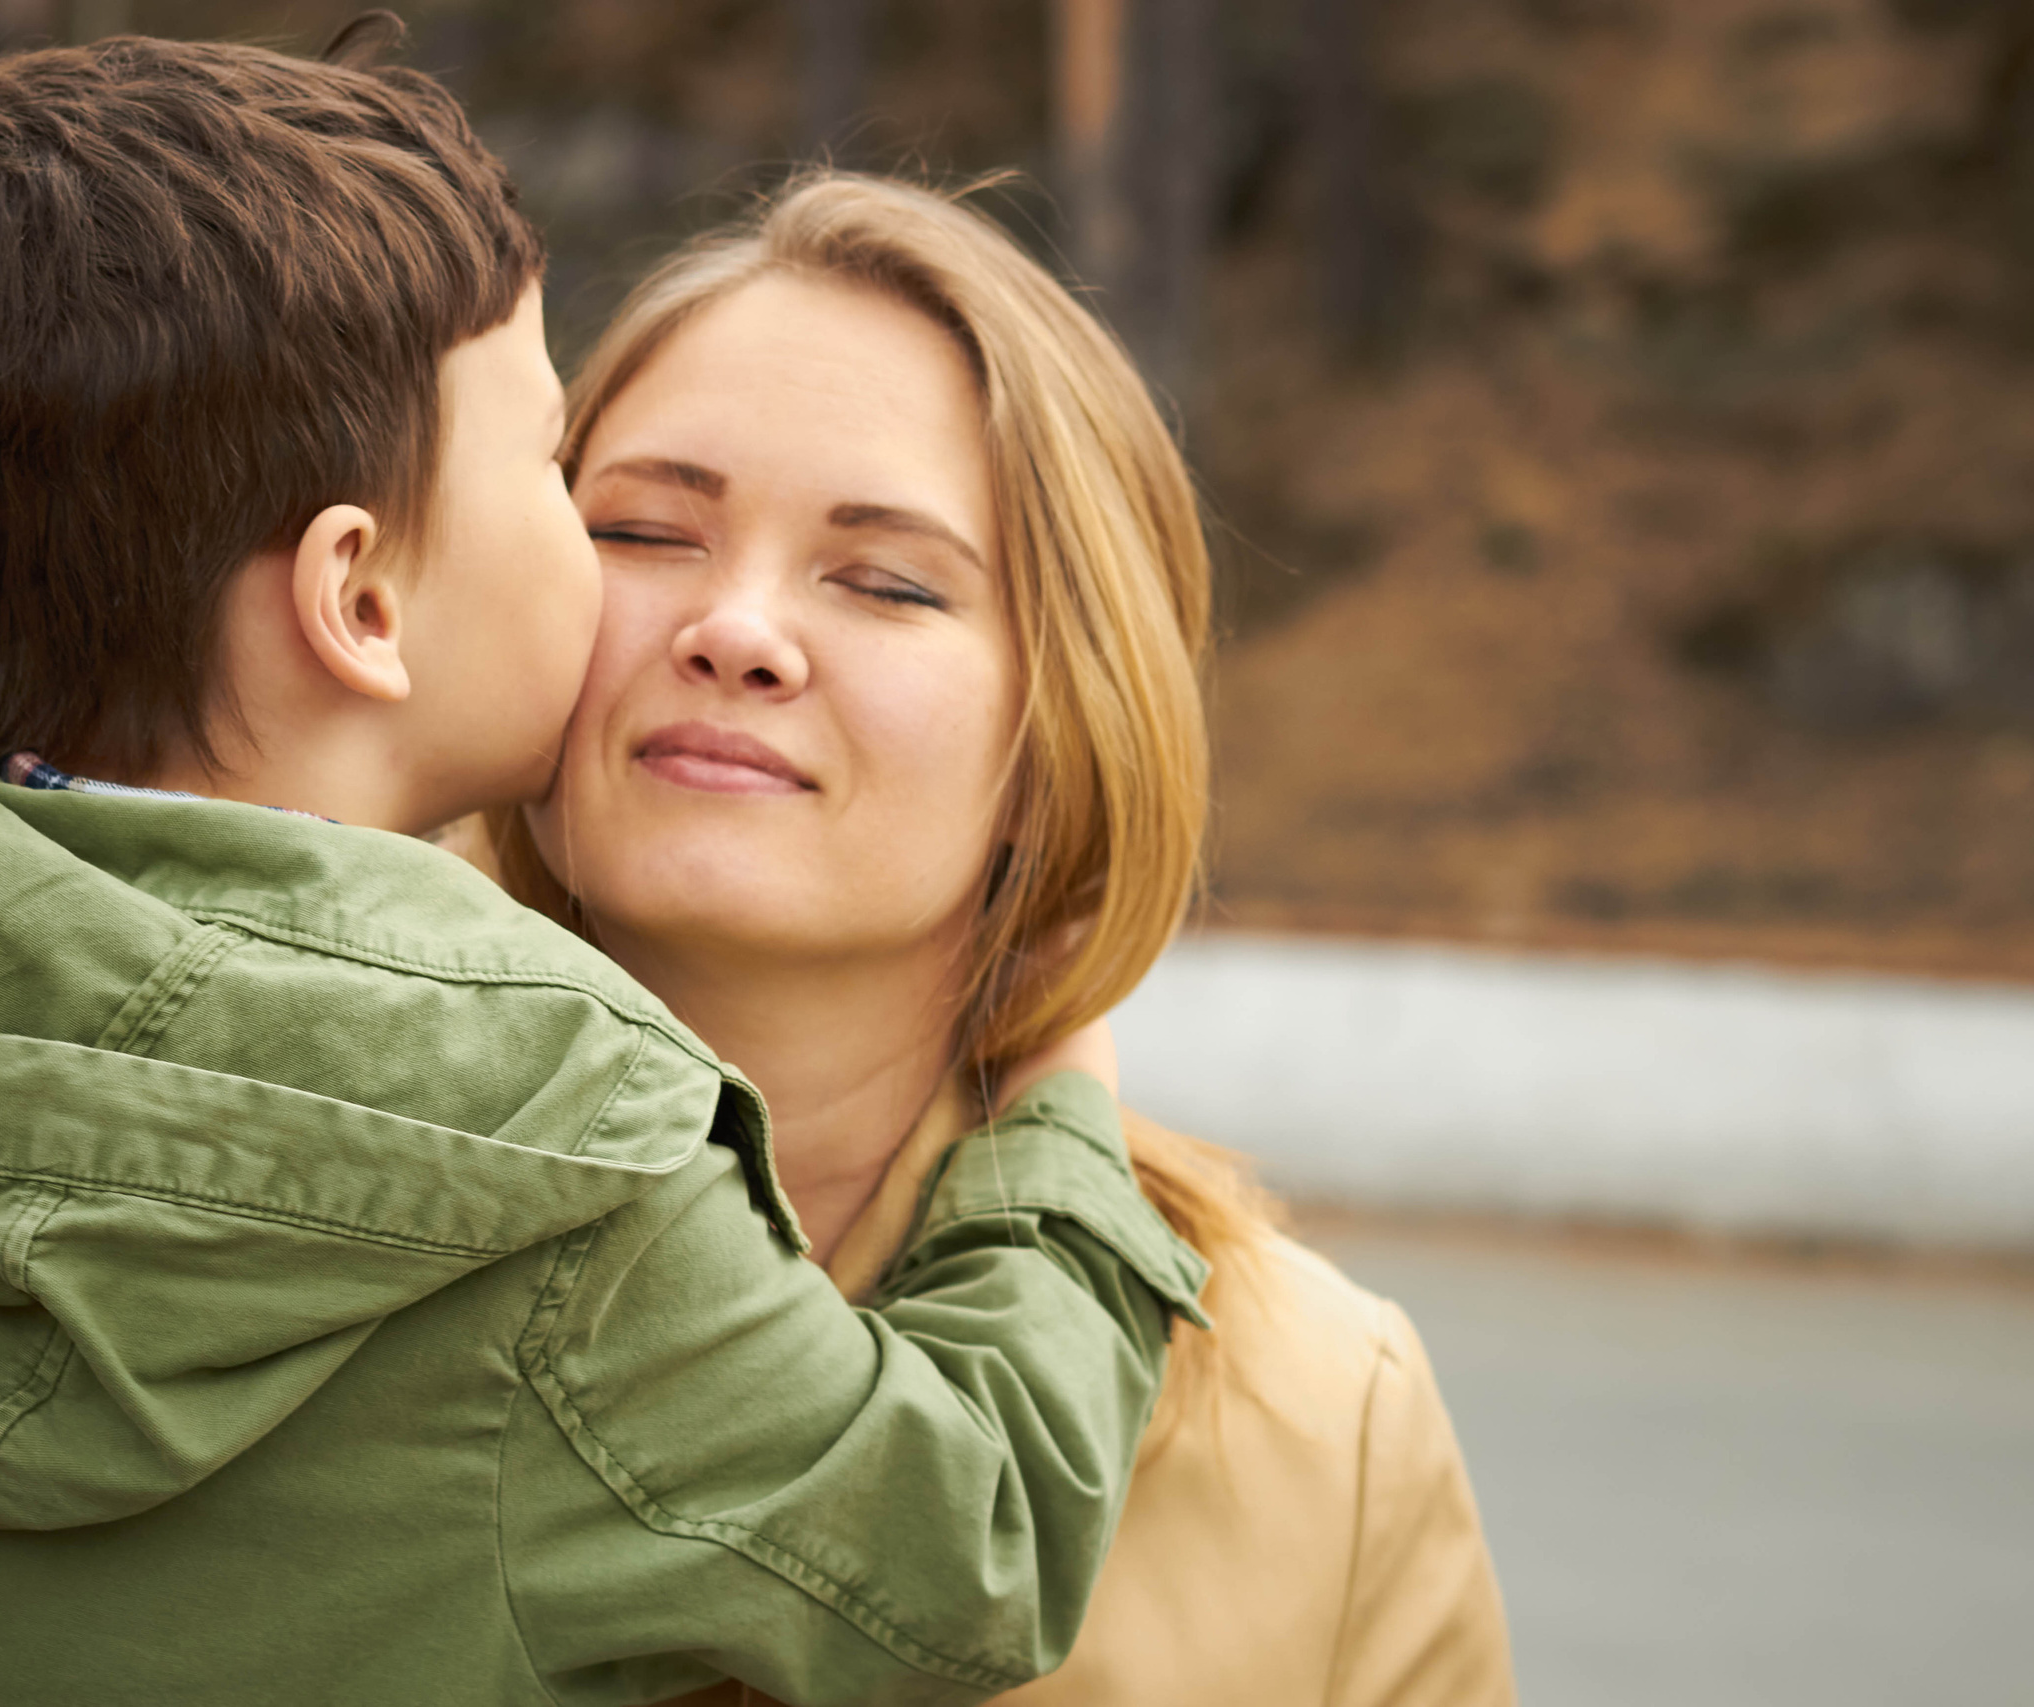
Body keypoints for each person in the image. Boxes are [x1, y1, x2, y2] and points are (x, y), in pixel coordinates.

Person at [0, 41, 1211, 1707]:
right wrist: (1054, 1118)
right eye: (580, 491)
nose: (716, 625)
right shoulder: (553, 1150)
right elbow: (969, 1543)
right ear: (361, 601)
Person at [495, 171, 1519, 1705]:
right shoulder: (267, 1230)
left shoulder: (1317, 1415)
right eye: (647, 530)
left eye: (891, 580)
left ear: (1068, 735)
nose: (740, 629)